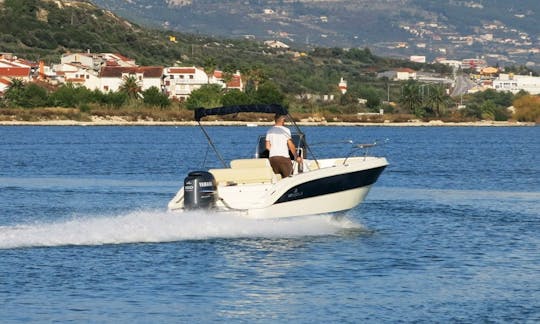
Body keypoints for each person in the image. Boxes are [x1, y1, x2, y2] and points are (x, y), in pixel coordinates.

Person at [265, 114, 303, 178]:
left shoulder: (269, 131)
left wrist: (275, 150)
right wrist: (296, 157)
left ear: (275, 120)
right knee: (289, 179)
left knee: (278, 178)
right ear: (282, 120)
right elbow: (290, 145)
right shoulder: (286, 130)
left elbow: (267, 146)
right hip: (284, 158)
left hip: (272, 158)